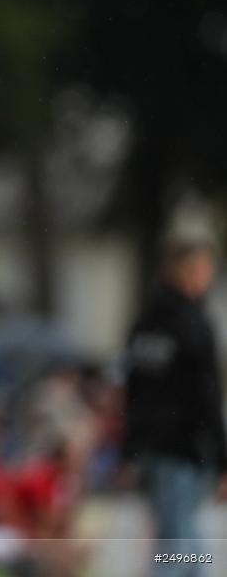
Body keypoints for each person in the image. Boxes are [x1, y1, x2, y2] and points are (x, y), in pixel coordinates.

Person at [122, 239, 227, 576]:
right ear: (191, 271)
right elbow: (206, 395)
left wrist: (130, 447)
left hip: (151, 448)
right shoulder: (193, 324)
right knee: (175, 545)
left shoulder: (145, 322)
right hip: (184, 448)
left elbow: (134, 392)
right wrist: (223, 456)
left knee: (184, 537)